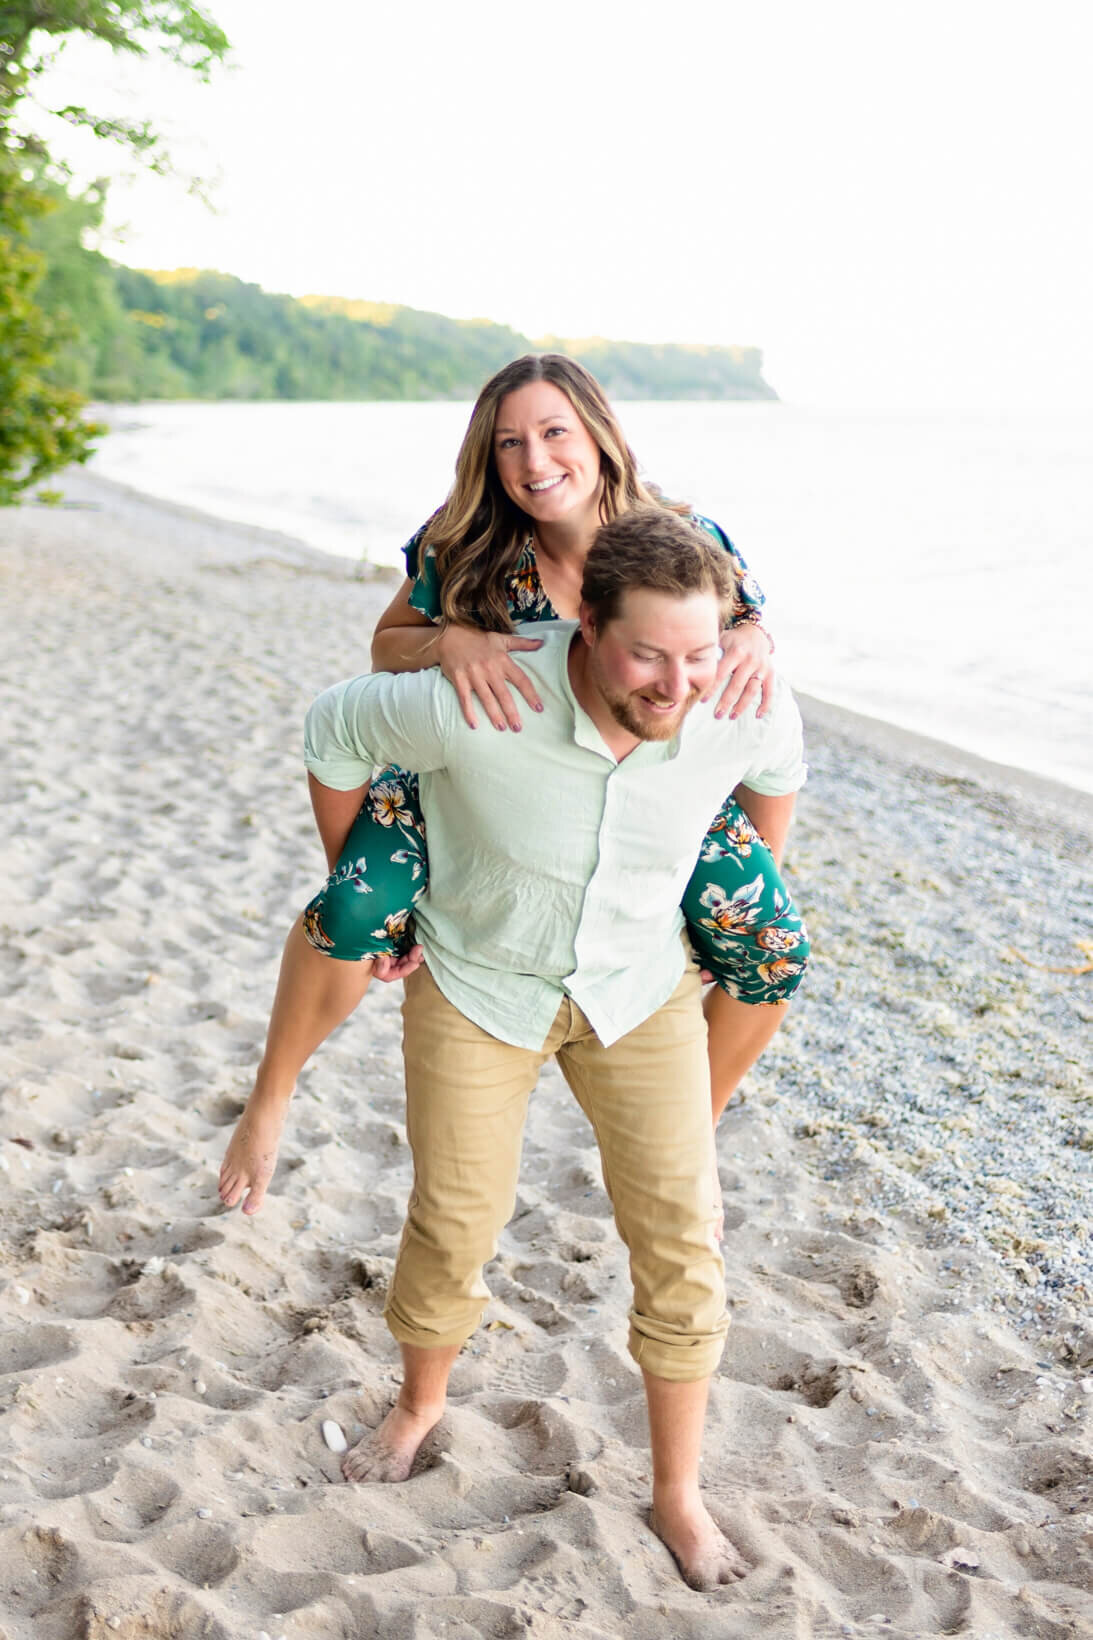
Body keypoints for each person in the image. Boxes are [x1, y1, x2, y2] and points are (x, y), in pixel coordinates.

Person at [222, 507, 807, 1588]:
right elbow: (333, 729)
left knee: (684, 1238)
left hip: (640, 993)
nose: (677, 684)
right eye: (647, 653)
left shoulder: (735, 695)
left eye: (698, 653)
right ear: (586, 622)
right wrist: (381, 900)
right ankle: (417, 1404)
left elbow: (776, 771)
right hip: (480, 985)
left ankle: (677, 1491)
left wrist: (717, 893)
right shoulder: (484, 694)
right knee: (453, 1220)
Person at [223, 355, 808, 1201]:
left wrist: (755, 634)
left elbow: (738, 638)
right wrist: (445, 641)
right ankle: (270, 1097)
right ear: (488, 458)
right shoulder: (469, 543)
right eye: (510, 444)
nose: (535, 463)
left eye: (554, 432)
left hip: (646, 777)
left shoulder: (683, 534)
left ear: (599, 436)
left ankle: (693, 1139)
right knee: (351, 907)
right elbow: (386, 648)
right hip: (480, 773)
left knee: (771, 942)